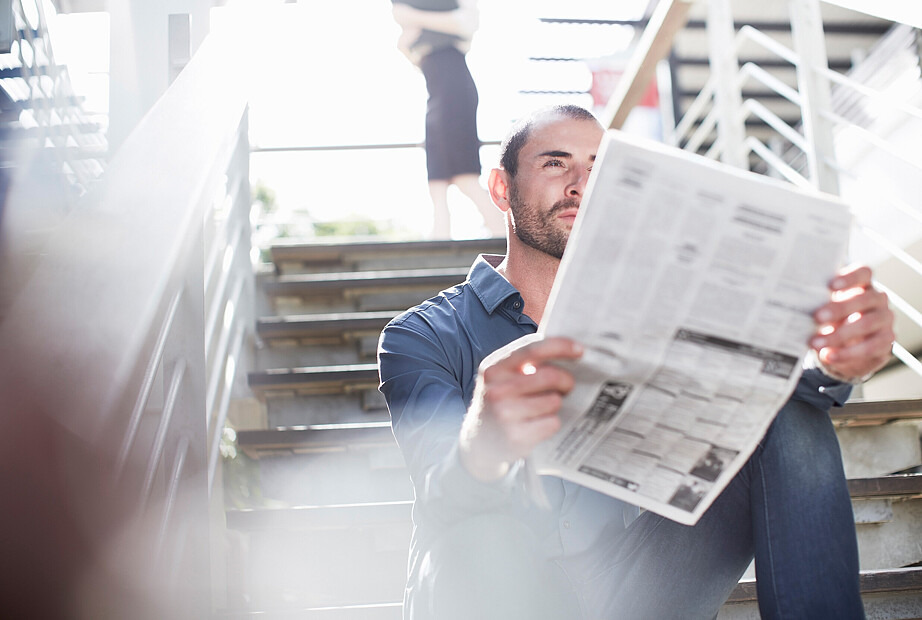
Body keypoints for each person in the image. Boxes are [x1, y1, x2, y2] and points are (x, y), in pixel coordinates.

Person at [377, 104, 895, 619]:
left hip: (635, 587)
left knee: (789, 414)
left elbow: (773, 402)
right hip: (497, 587)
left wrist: (835, 364)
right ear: (501, 188)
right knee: (481, 529)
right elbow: (440, 491)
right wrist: (483, 442)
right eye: (556, 163)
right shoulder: (420, 334)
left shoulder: (663, 309)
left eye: (601, 169)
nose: (581, 184)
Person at [391, 0, 505, 239]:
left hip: (454, 87)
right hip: (436, 88)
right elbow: (412, 49)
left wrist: (412, 17)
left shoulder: (432, 11)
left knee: (464, 174)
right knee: (437, 170)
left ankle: (499, 231)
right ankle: (441, 232)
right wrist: (405, 44)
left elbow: (467, 24)